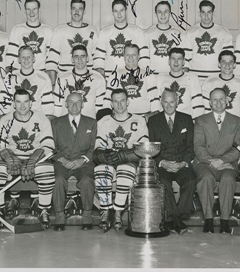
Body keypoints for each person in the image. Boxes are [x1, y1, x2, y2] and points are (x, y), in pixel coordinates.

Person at [0, 89, 55, 229]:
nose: (22, 106)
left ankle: (43, 209)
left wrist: (33, 160)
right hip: (13, 159)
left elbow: (49, 146)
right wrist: (9, 157)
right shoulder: (5, 119)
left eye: (26, 102)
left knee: (47, 169)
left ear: (31, 103)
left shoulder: (41, 118)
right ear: (13, 104)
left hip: (35, 158)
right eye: (18, 102)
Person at [94, 88, 149, 231]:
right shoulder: (104, 121)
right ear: (111, 104)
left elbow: (144, 149)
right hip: (111, 160)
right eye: (116, 102)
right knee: (100, 169)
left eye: (122, 101)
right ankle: (106, 211)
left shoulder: (139, 120)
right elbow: (98, 148)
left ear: (128, 102)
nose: (119, 105)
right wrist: (104, 156)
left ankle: (118, 211)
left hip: (130, 160)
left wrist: (124, 155)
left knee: (125, 169)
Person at [147, 89, 196, 234]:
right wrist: (163, 163)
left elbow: (190, 146)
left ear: (177, 102)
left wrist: (183, 163)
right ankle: (176, 220)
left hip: (181, 163)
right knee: (163, 181)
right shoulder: (153, 121)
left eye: (172, 102)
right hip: (163, 164)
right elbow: (151, 148)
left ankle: (174, 218)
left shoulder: (186, 119)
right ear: (161, 102)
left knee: (191, 180)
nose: (169, 105)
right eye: (166, 102)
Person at [193, 88, 240, 233]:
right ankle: (208, 219)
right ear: (209, 102)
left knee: (228, 179)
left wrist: (221, 160)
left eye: (222, 99)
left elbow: (238, 148)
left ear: (227, 100)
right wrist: (211, 161)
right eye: (215, 99)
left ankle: (225, 220)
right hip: (204, 162)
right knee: (206, 178)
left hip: (227, 163)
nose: (219, 102)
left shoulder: (236, 121)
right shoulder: (201, 121)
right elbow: (198, 146)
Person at [51, 92, 97, 230]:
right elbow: (50, 146)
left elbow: (94, 147)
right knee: (58, 180)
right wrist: (62, 159)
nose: (75, 105)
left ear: (83, 104)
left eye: (78, 102)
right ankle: (59, 217)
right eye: (71, 102)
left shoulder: (92, 123)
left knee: (87, 181)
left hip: (84, 164)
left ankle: (87, 216)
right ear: (66, 104)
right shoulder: (56, 123)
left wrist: (83, 160)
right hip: (62, 162)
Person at [93, 0, 149, 80]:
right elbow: (98, 58)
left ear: (126, 11)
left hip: (131, 77)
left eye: (121, 10)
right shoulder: (104, 32)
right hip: (111, 77)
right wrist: (101, 76)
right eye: (116, 11)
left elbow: (144, 56)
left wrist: (141, 76)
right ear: (112, 13)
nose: (119, 14)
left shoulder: (137, 31)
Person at [47, 0, 98, 77]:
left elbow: (97, 58)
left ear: (84, 11)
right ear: (70, 11)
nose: (76, 12)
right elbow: (52, 59)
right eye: (74, 9)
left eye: (80, 9)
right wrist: (53, 83)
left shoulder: (92, 31)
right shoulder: (59, 30)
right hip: (65, 76)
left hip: (87, 76)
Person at [183, 0, 234, 81]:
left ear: (213, 13)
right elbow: (186, 58)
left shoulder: (223, 32)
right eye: (203, 12)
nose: (206, 16)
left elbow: (228, 58)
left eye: (209, 12)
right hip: (196, 77)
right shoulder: (190, 32)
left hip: (216, 77)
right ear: (199, 13)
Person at [6, 0, 53, 81]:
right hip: (21, 75)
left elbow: (51, 58)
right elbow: (11, 57)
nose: (31, 13)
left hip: (40, 75)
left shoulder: (48, 30)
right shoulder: (17, 29)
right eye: (28, 9)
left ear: (39, 10)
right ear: (25, 11)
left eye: (34, 9)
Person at [106, 44, 160, 117]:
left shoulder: (147, 73)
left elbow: (154, 97)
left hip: (144, 117)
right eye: (127, 55)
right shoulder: (116, 74)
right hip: (122, 118)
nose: (130, 58)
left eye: (133, 55)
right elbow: (108, 98)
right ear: (124, 57)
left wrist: (154, 115)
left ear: (138, 56)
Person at [53, 44, 106, 118]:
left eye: (83, 56)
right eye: (76, 57)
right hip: (67, 123)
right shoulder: (62, 78)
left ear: (87, 58)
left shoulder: (98, 79)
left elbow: (100, 107)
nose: (80, 59)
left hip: (89, 123)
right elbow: (57, 106)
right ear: (72, 59)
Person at [4, 46, 54, 119]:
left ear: (34, 58)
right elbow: (6, 103)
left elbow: (48, 106)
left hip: (36, 118)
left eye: (29, 57)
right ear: (19, 59)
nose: (26, 60)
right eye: (23, 57)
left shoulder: (43, 77)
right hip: (15, 119)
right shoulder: (10, 77)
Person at [156, 47, 204, 119]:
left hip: (185, 121)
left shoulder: (192, 78)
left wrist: (196, 124)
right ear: (169, 61)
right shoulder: (160, 77)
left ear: (184, 62)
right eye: (173, 59)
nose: (176, 62)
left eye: (179, 59)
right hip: (165, 122)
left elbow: (198, 105)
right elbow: (157, 104)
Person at [202, 50, 240, 119]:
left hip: (235, 124)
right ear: (219, 64)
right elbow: (207, 109)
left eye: (230, 62)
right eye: (224, 62)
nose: (227, 65)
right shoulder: (209, 82)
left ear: (234, 64)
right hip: (215, 122)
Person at [144, 1, 185, 74]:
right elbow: (144, 60)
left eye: (166, 11)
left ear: (170, 13)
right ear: (155, 14)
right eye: (159, 12)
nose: (163, 15)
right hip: (153, 76)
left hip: (171, 77)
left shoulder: (179, 33)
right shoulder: (147, 33)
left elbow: (183, 59)